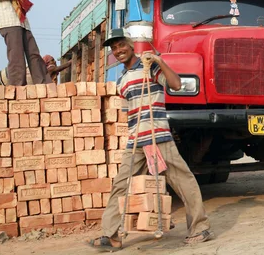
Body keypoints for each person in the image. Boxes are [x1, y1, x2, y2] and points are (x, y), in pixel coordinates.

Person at [89, 29, 212, 251]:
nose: (118, 51)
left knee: (182, 181)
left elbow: (175, 84)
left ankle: (199, 228)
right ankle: (112, 235)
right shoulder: (122, 80)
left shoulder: (150, 67)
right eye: (114, 48)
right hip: (136, 141)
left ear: (131, 44)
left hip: (159, 137)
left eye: (121, 45)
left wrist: (158, 60)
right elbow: (131, 113)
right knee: (121, 185)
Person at [0, 55, 70, 85]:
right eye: (52, 60)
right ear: (47, 62)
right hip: (9, 76)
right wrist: (71, 62)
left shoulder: (40, 70)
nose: (55, 62)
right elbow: (58, 68)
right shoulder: (48, 69)